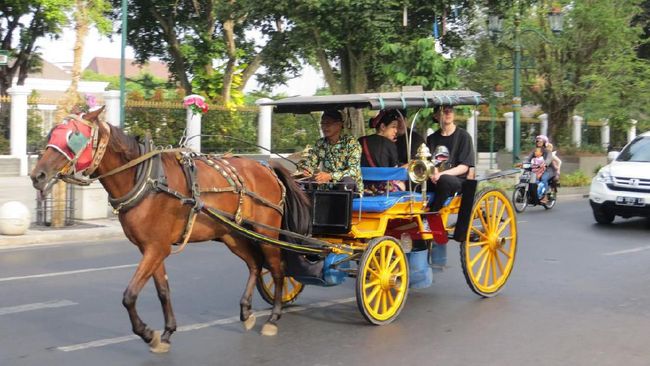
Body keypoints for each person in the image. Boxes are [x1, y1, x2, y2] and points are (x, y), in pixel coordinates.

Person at [297, 109, 363, 191]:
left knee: (346, 181)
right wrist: (306, 169)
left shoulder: (351, 143)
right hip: (326, 187)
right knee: (303, 182)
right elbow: (310, 162)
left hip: (348, 188)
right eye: (322, 123)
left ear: (339, 124)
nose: (324, 127)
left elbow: (353, 171)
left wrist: (330, 176)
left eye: (328, 123)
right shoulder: (320, 143)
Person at [425, 105, 476, 211]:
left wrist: (441, 174)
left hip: (458, 181)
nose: (448, 113)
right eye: (444, 111)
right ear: (436, 116)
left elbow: (464, 167)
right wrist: (433, 174)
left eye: (450, 111)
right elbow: (430, 163)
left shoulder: (464, 136)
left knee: (444, 180)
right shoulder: (432, 138)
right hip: (436, 178)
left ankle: (432, 213)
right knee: (415, 179)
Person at [358, 109, 404, 194]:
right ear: (383, 127)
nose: (396, 131)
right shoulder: (390, 144)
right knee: (402, 184)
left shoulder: (361, 141)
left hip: (362, 188)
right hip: (383, 189)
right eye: (393, 127)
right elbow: (395, 171)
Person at [524, 135, 555, 202]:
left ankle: (545, 196)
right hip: (536, 169)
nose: (538, 142)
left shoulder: (548, 151)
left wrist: (544, 164)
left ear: (544, 142)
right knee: (526, 177)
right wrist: (524, 163)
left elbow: (549, 159)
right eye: (537, 141)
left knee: (543, 178)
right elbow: (528, 158)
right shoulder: (534, 151)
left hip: (548, 170)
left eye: (540, 141)